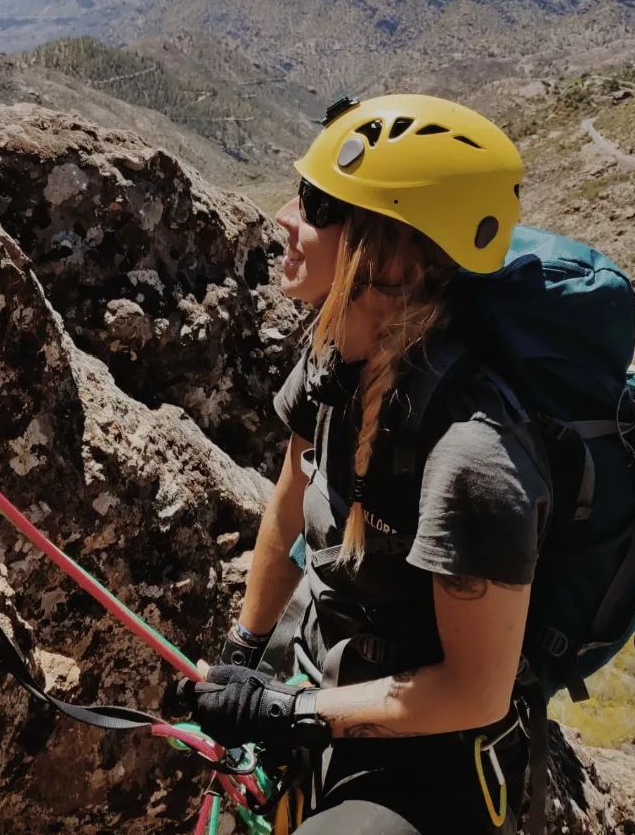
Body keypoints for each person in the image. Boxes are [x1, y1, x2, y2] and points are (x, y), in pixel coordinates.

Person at [188, 94, 551, 834]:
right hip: (327, 687)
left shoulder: (474, 456)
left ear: (386, 256)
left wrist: (287, 710)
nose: (286, 216)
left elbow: (475, 692)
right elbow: (291, 503)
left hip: (430, 754)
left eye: (319, 204)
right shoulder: (332, 359)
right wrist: (242, 652)